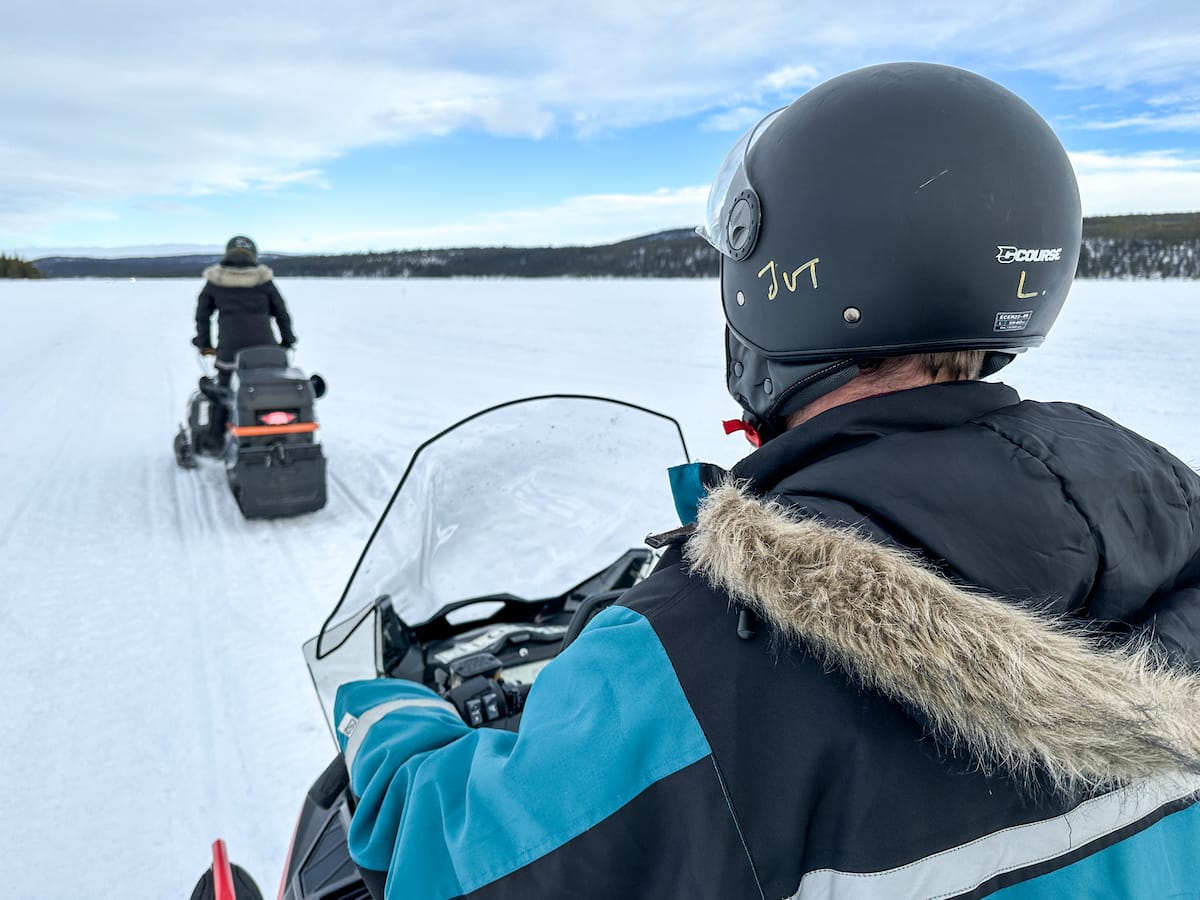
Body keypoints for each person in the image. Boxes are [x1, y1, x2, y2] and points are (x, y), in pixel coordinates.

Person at [332, 63, 1200, 898]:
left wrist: (388, 721)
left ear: (785, 280)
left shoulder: (707, 654)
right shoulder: (1167, 530)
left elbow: (451, 861)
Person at [192, 235, 297, 453]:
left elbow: (202, 316)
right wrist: (287, 340)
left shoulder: (215, 281)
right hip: (266, 351)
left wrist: (204, 344)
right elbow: (281, 314)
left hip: (230, 353)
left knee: (222, 394)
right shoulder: (264, 280)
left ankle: (215, 441)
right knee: (271, 389)